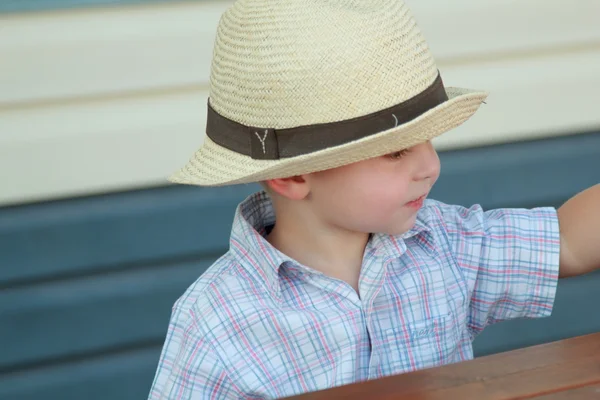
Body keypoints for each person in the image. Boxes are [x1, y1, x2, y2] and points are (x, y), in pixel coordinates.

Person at [148, 0, 600, 398]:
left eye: (428, 139)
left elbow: (568, 244)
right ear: (295, 175)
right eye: (396, 151)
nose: (430, 166)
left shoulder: (442, 244)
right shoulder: (216, 323)